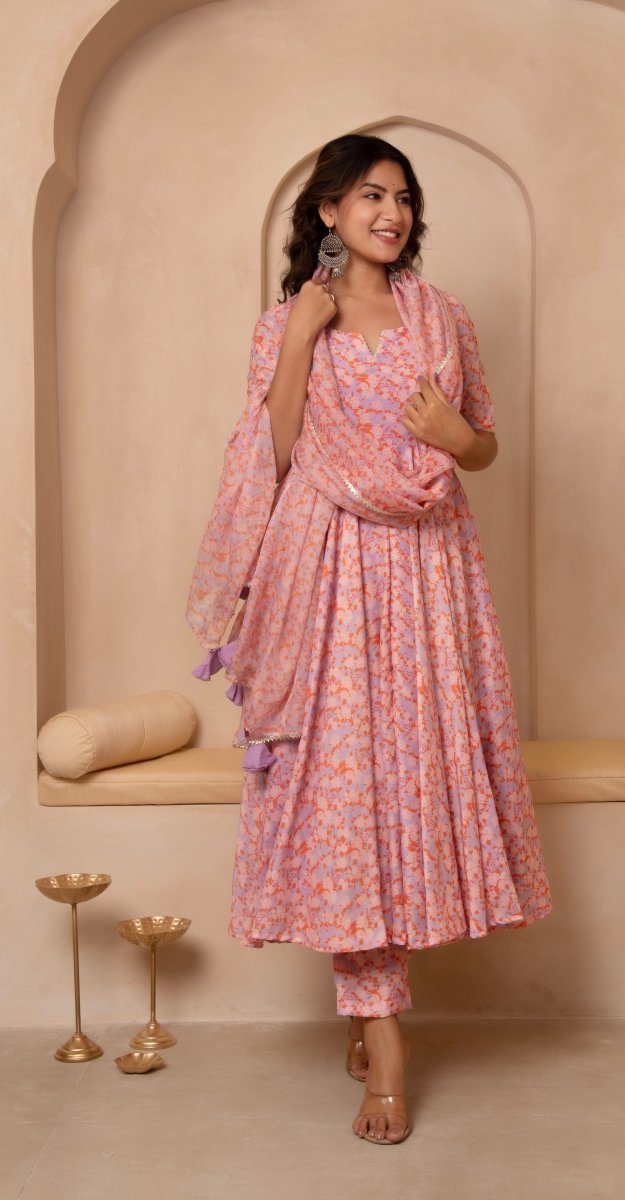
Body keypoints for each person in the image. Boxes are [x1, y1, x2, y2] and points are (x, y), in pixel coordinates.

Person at [187, 133, 552, 1145]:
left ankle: (369, 1008)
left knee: (407, 789)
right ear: (329, 212)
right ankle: (386, 1046)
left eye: (401, 197)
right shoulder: (288, 321)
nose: (390, 212)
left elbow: (484, 443)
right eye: (368, 196)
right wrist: (300, 340)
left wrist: (455, 439)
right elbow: (271, 451)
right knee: (344, 796)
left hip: (429, 575)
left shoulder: (443, 317)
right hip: (330, 574)